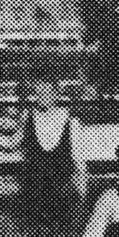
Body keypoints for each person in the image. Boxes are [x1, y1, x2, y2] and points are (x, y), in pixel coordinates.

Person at [14, 75, 87, 212]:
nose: (43, 97)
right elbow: (14, 144)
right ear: (34, 94)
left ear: (56, 94)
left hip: (63, 197)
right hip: (33, 196)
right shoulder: (27, 117)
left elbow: (80, 164)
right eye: (39, 93)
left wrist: (82, 200)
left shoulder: (71, 120)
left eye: (47, 93)